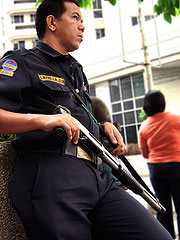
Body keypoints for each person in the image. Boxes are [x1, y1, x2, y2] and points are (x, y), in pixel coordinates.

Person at [0, 0, 172, 239]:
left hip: (96, 175)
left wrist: (104, 129)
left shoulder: (76, 70)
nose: (83, 26)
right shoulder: (22, 62)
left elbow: (76, 120)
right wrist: (43, 120)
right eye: (75, 18)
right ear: (52, 22)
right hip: (52, 174)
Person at [139, 90, 180, 239]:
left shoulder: (144, 126)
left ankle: (166, 236)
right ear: (163, 103)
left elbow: (144, 153)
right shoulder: (176, 119)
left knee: (162, 206)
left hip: (155, 168)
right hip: (176, 165)